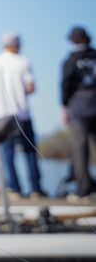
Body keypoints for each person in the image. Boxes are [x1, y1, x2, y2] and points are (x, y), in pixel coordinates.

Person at [0, 32, 45, 198]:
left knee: (7, 154)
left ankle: (14, 189)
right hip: (21, 113)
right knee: (29, 152)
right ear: (16, 44)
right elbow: (31, 87)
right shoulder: (23, 62)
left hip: (0, 117)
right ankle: (36, 189)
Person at [60, 26, 96, 202]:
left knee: (80, 150)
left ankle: (83, 190)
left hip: (79, 107)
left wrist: (63, 108)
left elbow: (66, 85)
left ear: (72, 40)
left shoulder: (71, 60)